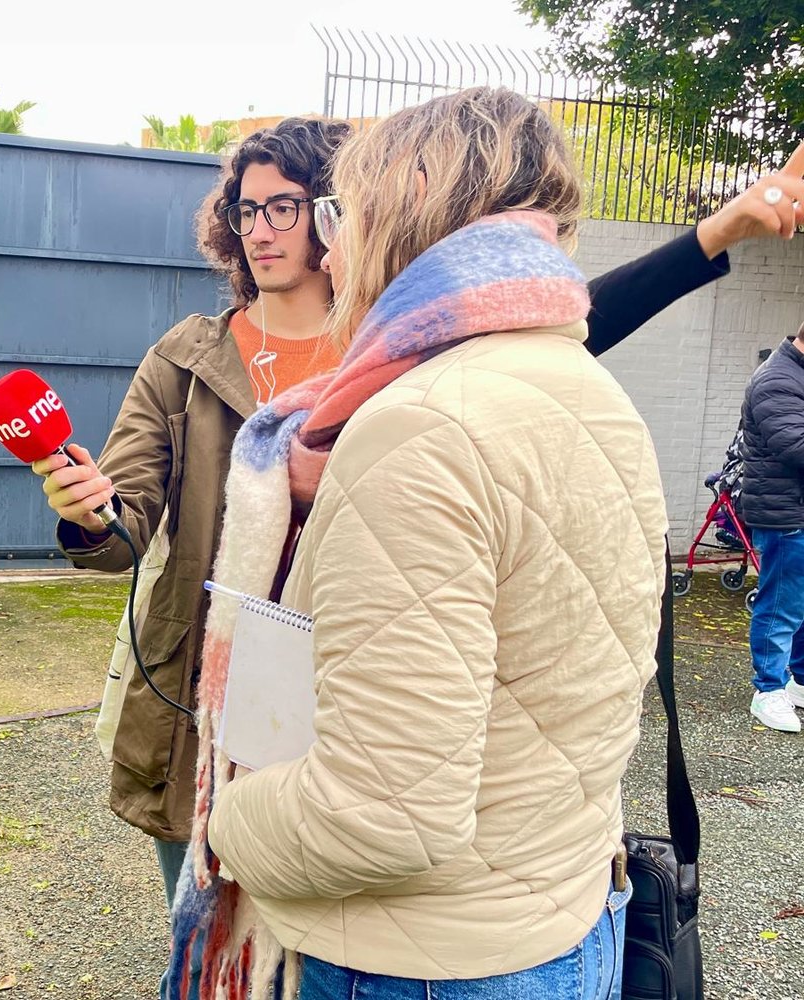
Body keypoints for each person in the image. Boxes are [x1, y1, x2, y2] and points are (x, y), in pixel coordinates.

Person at [33, 116, 804, 998]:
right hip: (228, 705)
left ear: (350, 214)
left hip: (385, 749)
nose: (265, 229)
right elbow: (128, 520)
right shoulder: (193, 354)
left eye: (290, 205)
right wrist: (93, 516)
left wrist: (719, 231)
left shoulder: (417, 351)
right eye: (245, 212)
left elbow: (562, 310)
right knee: (229, 938)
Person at [193, 85, 667, 1000]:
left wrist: (228, 819)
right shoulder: (579, 381)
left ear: (395, 210)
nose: (333, 243)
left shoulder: (419, 426)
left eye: (338, 212)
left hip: (430, 961)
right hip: (557, 915)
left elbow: (381, 815)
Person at [741, 318, 804, 733]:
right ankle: (767, 690)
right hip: (787, 515)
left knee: (799, 605)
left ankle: (796, 681)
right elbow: (794, 445)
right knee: (780, 605)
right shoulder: (778, 380)